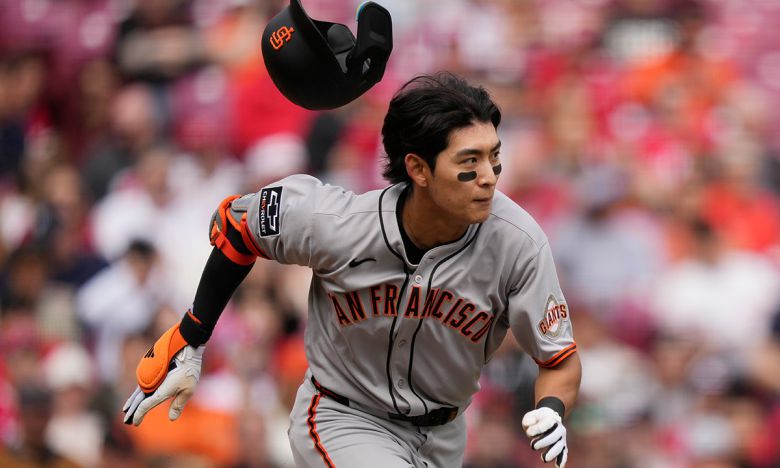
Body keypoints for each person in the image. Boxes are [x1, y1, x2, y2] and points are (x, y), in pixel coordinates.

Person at [122, 72, 581, 468]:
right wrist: (194, 332)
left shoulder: (518, 243)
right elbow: (236, 226)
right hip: (342, 415)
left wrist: (553, 409)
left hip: (443, 435)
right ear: (418, 169)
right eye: (469, 161)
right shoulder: (338, 223)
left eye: (494, 155)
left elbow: (558, 359)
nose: (490, 175)